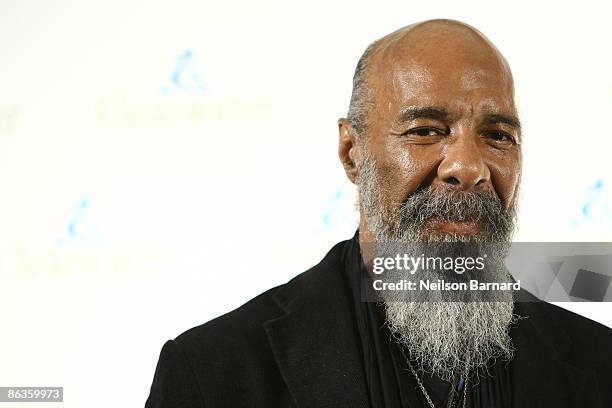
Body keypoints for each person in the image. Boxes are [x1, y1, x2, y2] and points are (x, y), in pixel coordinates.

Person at [145, 19, 612, 407]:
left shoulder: (599, 364)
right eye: (426, 130)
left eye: (498, 136)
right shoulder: (214, 374)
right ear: (352, 152)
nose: (467, 167)